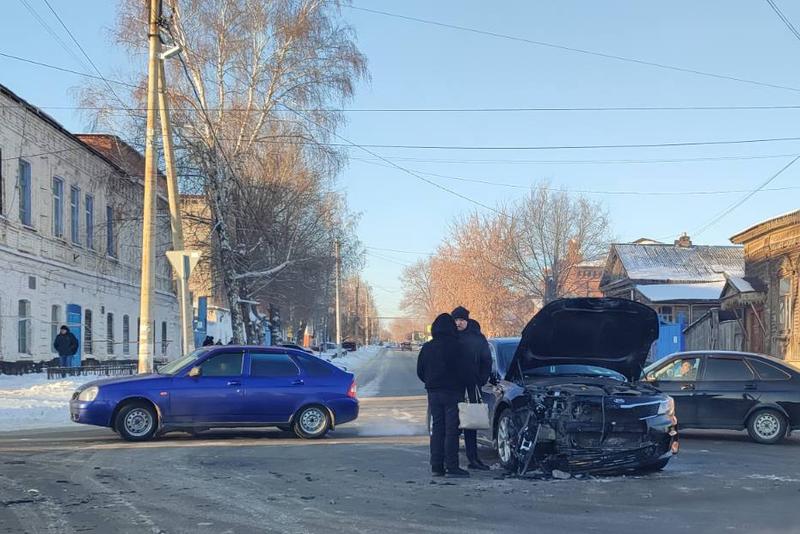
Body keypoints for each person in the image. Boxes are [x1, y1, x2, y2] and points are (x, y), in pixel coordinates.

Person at [417, 313, 470, 478]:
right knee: (452, 430)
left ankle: (437, 466)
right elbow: (465, 370)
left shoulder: (427, 347)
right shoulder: (458, 346)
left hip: (433, 392)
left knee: (437, 428)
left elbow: (420, 371)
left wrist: (431, 381)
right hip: (453, 392)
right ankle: (452, 466)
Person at [452, 307, 492, 471]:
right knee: (453, 423)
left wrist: (480, 379)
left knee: (471, 422)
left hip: (472, 386)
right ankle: (451, 460)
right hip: (454, 387)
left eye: (461, 320)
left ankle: (473, 458)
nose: (459, 323)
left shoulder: (477, 337)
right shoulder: (450, 338)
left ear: (467, 321)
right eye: (456, 320)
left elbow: (486, 360)